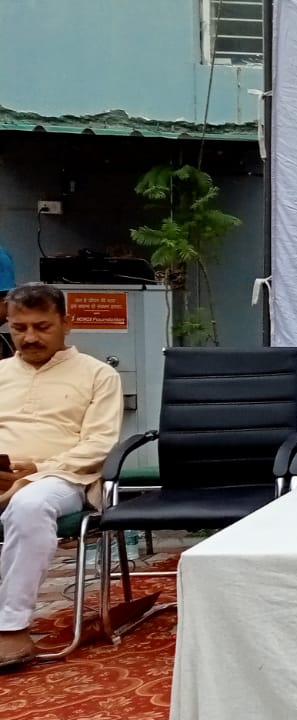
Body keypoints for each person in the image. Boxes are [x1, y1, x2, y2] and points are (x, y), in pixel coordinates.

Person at [0, 283, 122, 669]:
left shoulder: (98, 375)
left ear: (66, 323)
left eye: (42, 327)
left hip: (64, 478)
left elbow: (100, 444)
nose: (29, 338)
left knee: (30, 503)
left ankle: (12, 626)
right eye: (19, 328)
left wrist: (36, 471)